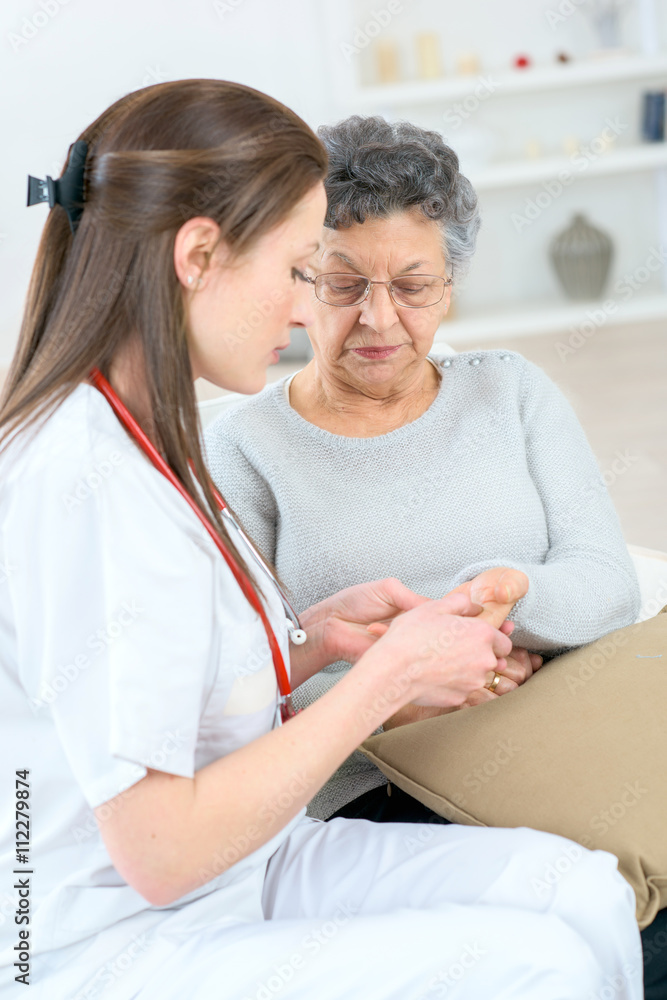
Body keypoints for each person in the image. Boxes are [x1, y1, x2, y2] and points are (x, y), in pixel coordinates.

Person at [0, 81, 643, 1000]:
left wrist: (311, 642)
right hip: (115, 936)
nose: (311, 312)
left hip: (245, 866)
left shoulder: (145, 438)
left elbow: (172, 687)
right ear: (198, 256)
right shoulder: (90, 478)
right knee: (548, 962)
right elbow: (160, 851)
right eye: (307, 272)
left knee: (582, 890)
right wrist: (389, 680)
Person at [204, 114, 641, 822]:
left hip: (560, 727)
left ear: (449, 286)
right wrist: (397, 696)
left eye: (412, 287)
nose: (379, 319)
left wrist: (511, 601)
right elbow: (237, 690)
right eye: (343, 285)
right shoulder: (243, 448)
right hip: (379, 786)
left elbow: (609, 586)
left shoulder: (511, 389)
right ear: (297, 283)